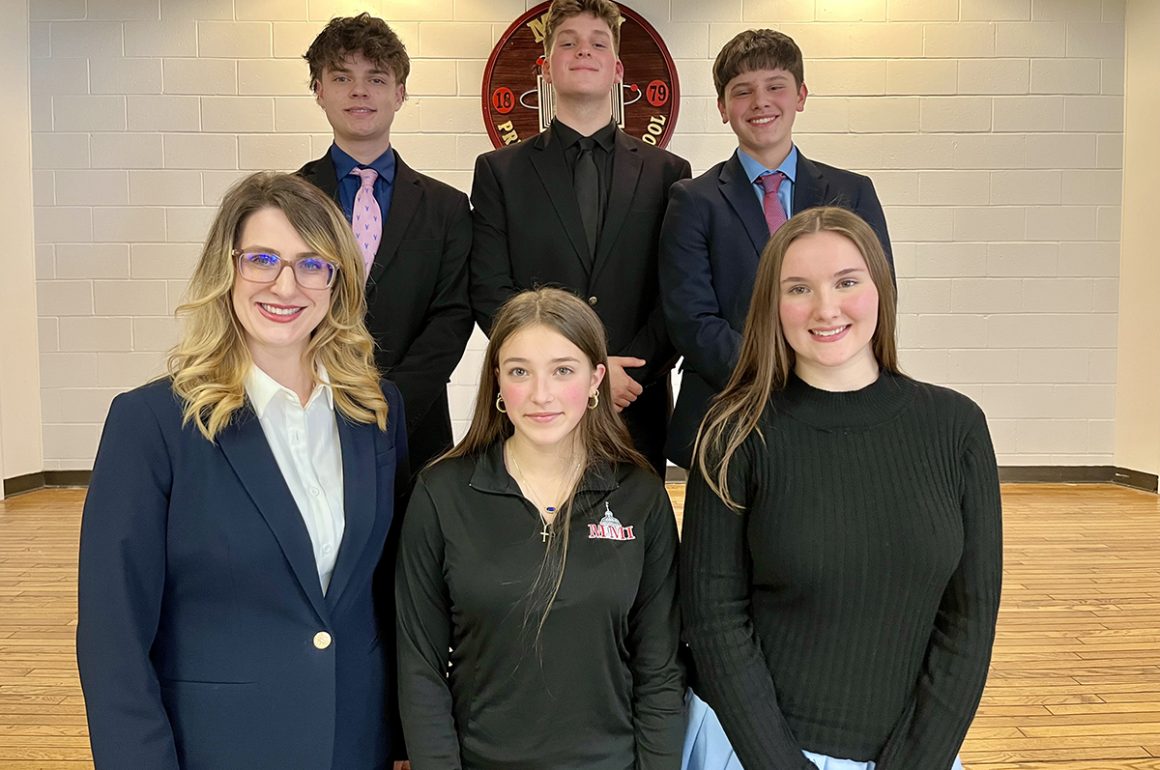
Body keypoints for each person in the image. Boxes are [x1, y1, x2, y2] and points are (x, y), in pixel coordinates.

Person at [76, 172, 410, 769]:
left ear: (337, 281)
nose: (287, 284)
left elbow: (384, 595)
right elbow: (112, 640)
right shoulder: (151, 422)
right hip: (217, 748)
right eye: (263, 259)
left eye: (313, 265)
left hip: (357, 743)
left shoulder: (377, 410)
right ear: (226, 270)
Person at [680, 207, 1001, 770]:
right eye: (799, 288)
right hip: (753, 750)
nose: (825, 308)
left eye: (847, 282)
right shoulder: (734, 432)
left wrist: (918, 760)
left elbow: (969, 621)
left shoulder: (957, 427)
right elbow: (713, 619)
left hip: (913, 755)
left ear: (881, 290)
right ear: (773, 307)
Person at [396, 287, 684, 769]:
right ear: (498, 383)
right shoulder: (442, 493)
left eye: (563, 370)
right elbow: (419, 666)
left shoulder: (639, 496)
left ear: (596, 380)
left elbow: (659, 670)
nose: (541, 394)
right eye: (519, 372)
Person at [469, 0, 691, 477]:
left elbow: (676, 291)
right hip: (537, 401)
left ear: (617, 69)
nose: (582, 52)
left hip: (635, 399)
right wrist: (568, 372)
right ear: (546, 68)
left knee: (632, 542)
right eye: (567, 43)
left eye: (597, 43)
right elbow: (490, 290)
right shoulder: (500, 172)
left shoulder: (667, 172)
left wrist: (619, 375)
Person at [659, 29, 894, 469]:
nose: (760, 102)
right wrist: (779, 377)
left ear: (801, 95)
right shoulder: (693, 201)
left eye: (775, 86)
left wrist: (819, 376)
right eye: (742, 91)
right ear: (722, 108)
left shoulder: (852, 192)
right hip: (727, 409)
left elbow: (877, 296)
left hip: (836, 402)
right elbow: (692, 320)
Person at [299, 13, 473, 474]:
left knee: (411, 543)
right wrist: (317, 389)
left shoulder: (447, 207)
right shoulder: (287, 200)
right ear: (319, 90)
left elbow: (452, 316)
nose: (360, 91)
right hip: (305, 409)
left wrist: (392, 402)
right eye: (342, 77)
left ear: (399, 93)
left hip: (414, 424)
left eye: (376, 78)